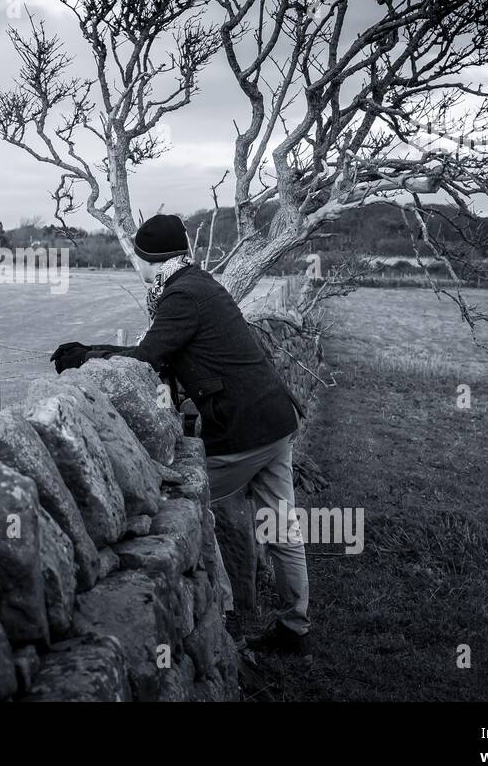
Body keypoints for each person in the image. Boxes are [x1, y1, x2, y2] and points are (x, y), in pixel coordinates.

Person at [51, 213, 311, 655]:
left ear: (149, 258)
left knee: (183, 506)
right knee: (282, 527)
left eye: (138, 255)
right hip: (276, 421)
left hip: (245, 431)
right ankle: (296, 628)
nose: (137, 263)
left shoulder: (181, 296)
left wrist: (87, 355)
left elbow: (147, 358)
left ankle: (224, 621)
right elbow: (177, 354)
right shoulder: (200, 282)